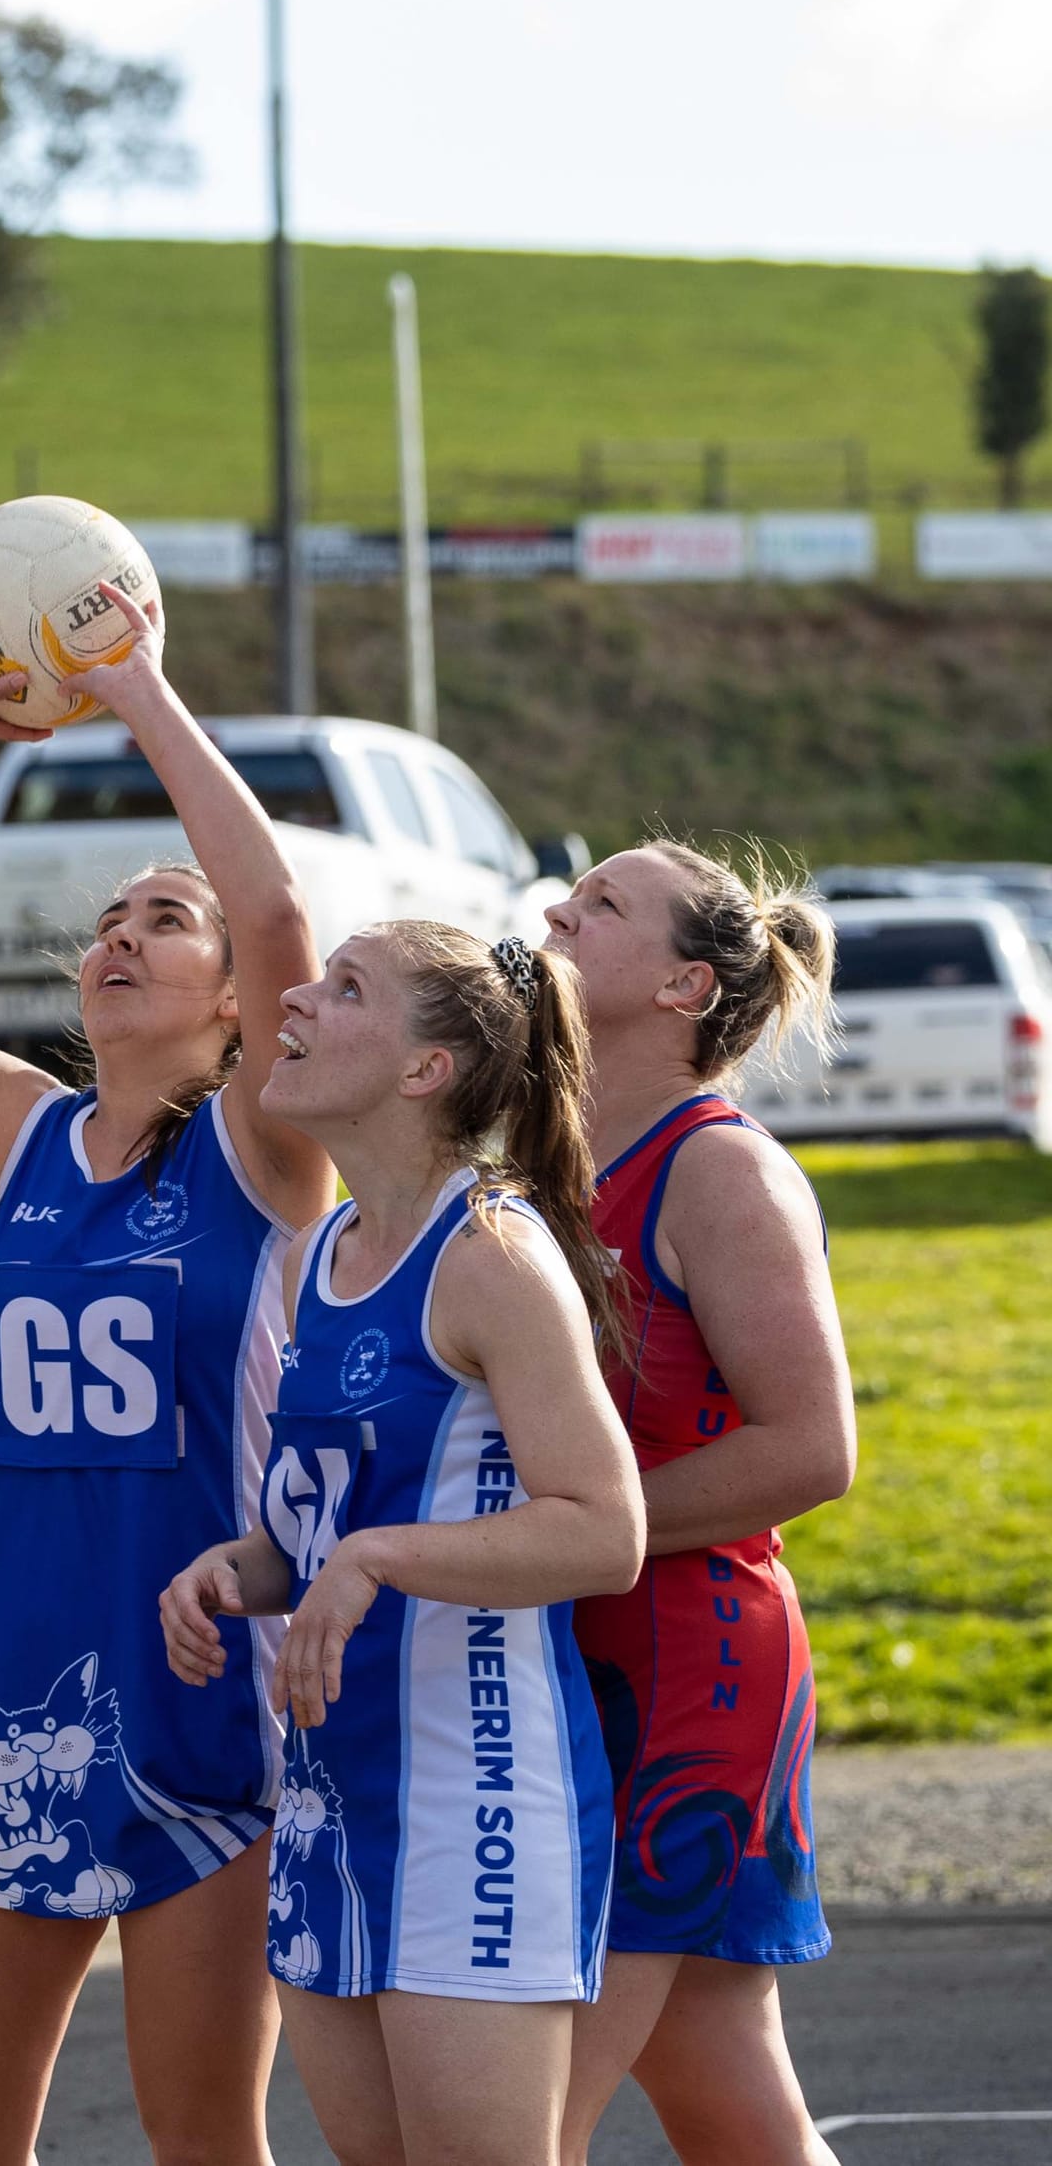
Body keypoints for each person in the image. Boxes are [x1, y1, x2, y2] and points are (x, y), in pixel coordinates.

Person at [0, 593, 336, 2166]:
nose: (120, 937)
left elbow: (279, 912)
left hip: (208, 1685)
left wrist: (137, 689)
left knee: (203, 2135)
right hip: (9, 1683)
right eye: (108, 920)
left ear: (235, 1002)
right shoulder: (4, 1127)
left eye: (164, 919)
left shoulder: (267, 1143)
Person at [161, 922, 646, 2166]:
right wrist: (233, 1571)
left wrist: (376, 1557)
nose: (294, 997)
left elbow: (602, 1528)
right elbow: (305, 1532)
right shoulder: (325, 1250)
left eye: (344, 987)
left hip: (474, 1800)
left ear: (425, 1069)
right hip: (331, 1802)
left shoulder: (488, 1249)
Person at [543, 842, 855, 2166]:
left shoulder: (720, 1170)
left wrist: (574, 1533)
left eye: (601, 903)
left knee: (510, 2113)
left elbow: (809, 1447)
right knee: (731, 2098)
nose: (557, 911)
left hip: (688, 1668)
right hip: (579, 1643)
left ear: (685, 985)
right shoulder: (539, 1153)